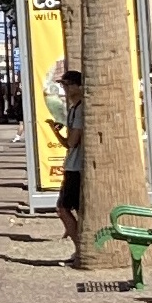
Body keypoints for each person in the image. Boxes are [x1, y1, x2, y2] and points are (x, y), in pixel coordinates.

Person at [52, 66, 87, 250]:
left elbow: (71, 142)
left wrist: (57, 134)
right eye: (63, 85)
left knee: (63, 208)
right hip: (72, 164)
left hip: (76, 166)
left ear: (79, 86)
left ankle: (80, 248)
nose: (65, 89)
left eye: (68, 85)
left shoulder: (81, 109)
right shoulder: (74, 109)